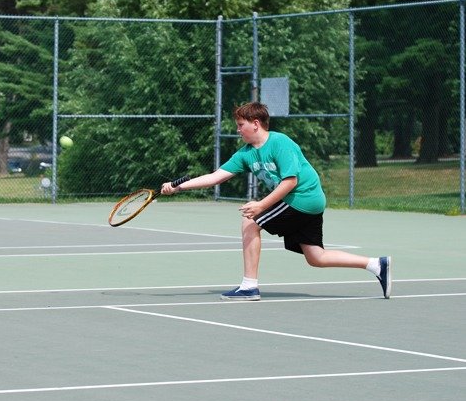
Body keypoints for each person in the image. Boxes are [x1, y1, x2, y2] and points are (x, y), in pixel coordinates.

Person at [161, 102, 391, 301]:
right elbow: (215, 177)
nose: (238, 130)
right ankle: (376, 265)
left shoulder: (280, 143)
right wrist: (179, 186)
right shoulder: (245, 153)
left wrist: (261, 206)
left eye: (241, 125)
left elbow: (290, 181)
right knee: (316, 257)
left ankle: (249, 286)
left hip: (303, 197)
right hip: (304, 203)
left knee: (251, 221)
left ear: (255, 123)